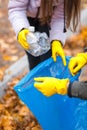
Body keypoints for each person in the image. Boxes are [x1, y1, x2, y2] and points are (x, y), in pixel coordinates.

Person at [8, 0, 81, 70]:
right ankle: (35, 78)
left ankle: (47, 78)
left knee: (48, 57)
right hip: (26, 19)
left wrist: (56, 40)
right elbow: (16, 8)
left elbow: (59, 17)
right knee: (33, 57)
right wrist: (21, 28)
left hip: (48, 19)